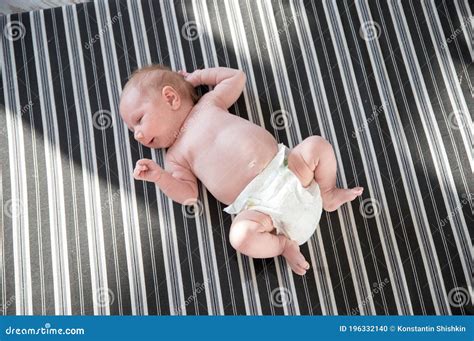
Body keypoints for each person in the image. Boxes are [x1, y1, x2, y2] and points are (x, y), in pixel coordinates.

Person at [119, 65, 364, 275]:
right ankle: (281, 245)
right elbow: (188, 195)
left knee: (316, 145)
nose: (137, 135)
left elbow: (236, 77)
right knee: (239, 237)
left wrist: (197, 77)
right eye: (132, 131)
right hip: (259, 209)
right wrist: (160, 177)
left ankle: (328, 193)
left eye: (139, 120)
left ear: (171, 97)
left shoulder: (209, 103)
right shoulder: (175, 156)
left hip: (290, 172)